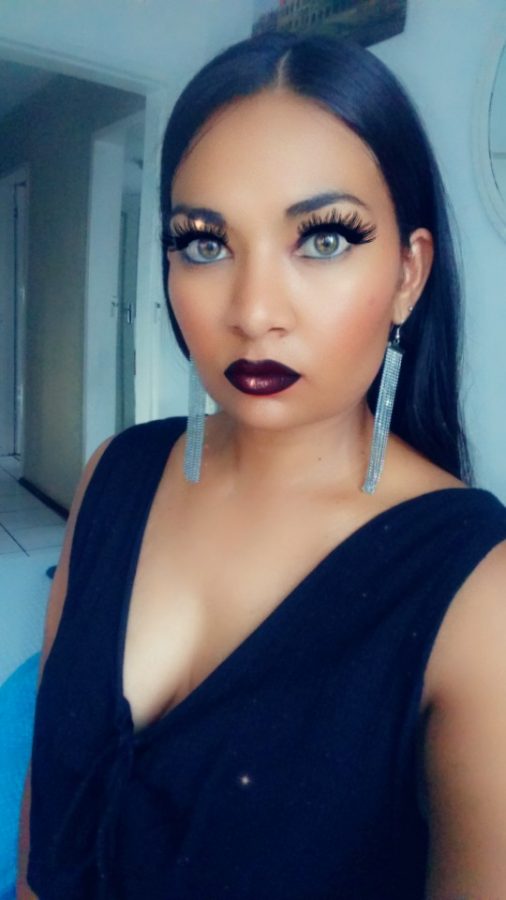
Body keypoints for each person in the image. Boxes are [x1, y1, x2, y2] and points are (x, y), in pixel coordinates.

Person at [19, 31, 506, 900]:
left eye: (323, 239)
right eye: (205, 244)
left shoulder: (477, 591)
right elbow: (43, 825)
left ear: (408, 273)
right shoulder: (117, 473)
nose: (252, 311)